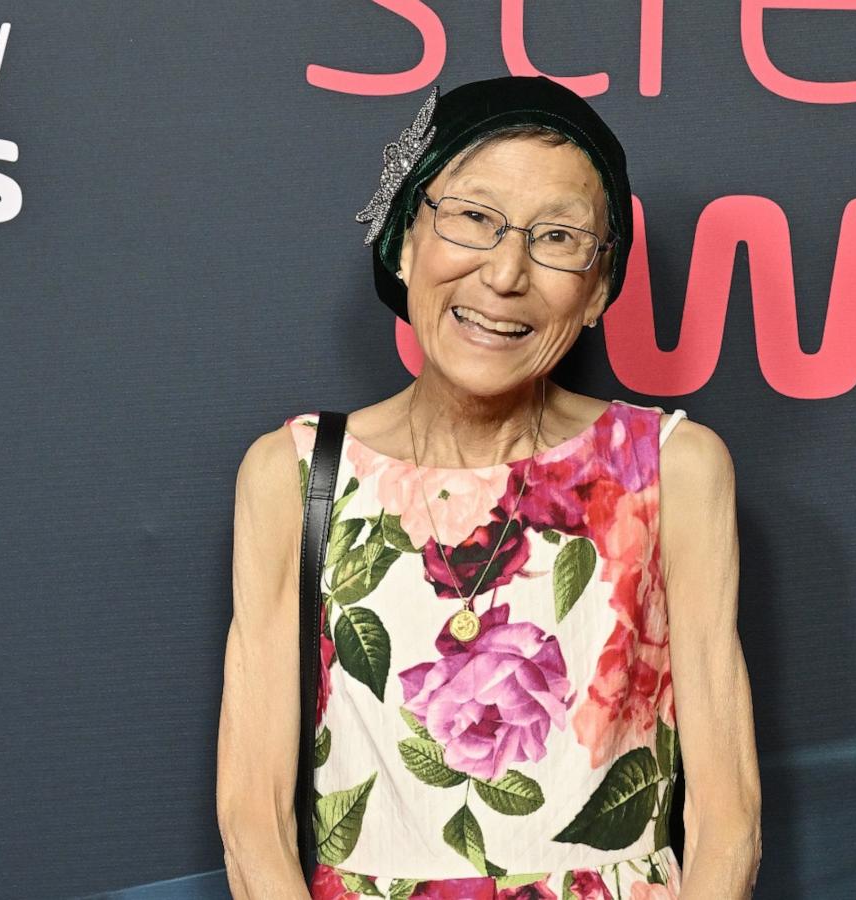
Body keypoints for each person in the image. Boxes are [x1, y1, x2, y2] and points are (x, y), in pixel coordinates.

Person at [218, 75, 761, 899]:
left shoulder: (675, 469)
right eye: (473, 218)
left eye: (558, 237)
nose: (506, 273)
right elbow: (253, 815)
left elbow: (729, 819)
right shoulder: (295, 475)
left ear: (599, 290)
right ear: (405, 241)